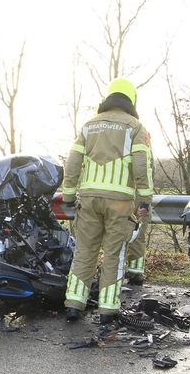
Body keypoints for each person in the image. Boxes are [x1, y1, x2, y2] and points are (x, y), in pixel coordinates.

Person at [62, 77, 154, 323]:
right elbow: (141, 165)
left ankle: (74, 304)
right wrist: (145, 198)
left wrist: (69, 194)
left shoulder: (89, 125)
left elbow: (73, 162)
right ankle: (107, 310)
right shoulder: (136, 127)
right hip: (120, 202)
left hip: (88, 200)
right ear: (131, 100)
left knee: (84, 251)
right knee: (114, 254)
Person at [124, 144, 154, 286]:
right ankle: (135, 272)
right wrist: (145, 202)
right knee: (137, 233)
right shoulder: (142, 142)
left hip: (122, 192)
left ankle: (120, 271)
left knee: (117, 233)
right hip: (137, 192)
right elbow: (146, 172)